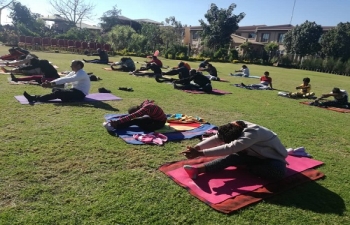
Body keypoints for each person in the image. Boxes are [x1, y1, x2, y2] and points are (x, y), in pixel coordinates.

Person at [181, 121, 288, 180]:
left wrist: (200, 154)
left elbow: (230, 147)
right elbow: (217, 138)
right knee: (231, 158)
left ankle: (247, 167)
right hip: (251, 155)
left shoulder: (252, 133)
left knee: (278, 174)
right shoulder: (234, 126)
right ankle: (196, 170)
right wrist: (196, 148)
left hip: (270, 159)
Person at [22, 60, 90, 103]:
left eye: (72, 65)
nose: (71, 66)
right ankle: (66, 98)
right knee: (55, 89)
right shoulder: (74, 72)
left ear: (78, 66)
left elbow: (68, 80)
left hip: (80, 94)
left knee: (58, 92)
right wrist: (51, 83)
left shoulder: (81, 74)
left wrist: (52, 83)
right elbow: (65, 77)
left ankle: (35, 98)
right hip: (74, 91)